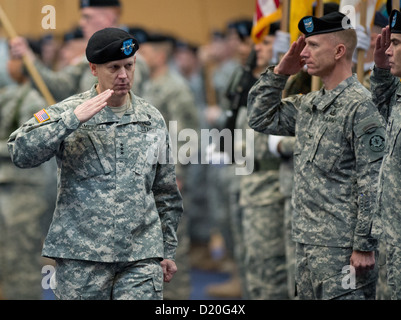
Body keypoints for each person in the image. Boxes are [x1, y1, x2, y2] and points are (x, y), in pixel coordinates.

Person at [7, 27, 183, 300]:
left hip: (140, 257)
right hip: (82, 259)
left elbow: (166, 192)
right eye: (114, 67)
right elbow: (20, 152)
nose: (123, 75)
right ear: (93, 69)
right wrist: (70, 121)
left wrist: (167, 250)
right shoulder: (69, 111)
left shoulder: (152, 119)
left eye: (129, 65)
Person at [247, 11, 386, 300]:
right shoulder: (308, 105)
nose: (304, 52)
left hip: (342, 248)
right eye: (304, 45)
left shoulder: (361, 107)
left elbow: (372, 180)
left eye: (312, 45)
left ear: (338, 51)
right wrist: (281, 73)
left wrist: (363, 244)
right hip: (306, 242)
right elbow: (259, 118)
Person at [140, 33, 200, 300]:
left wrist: (177, 175)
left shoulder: (175, 87)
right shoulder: (144, 85)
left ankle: (176, 299)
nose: (138, 58)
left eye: (145, 52)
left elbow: (186, 135)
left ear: (160, 56)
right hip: (146, 180)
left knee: (172, 244)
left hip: (167, 179)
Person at [0, 47, 57, 300]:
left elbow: (27, 146)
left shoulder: (35, 101)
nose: (9, 64)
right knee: (6, 257)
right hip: (8, 189)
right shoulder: (9, 95)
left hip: (26, 190)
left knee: (20, 259)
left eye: (14, 58)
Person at [9, 0, 149, 101]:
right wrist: (29, 57)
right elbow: (59, 88)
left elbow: (122, 109)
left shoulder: (129, 59)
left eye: (87, 17)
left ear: (108, 18)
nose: (81, 23)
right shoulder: (87, 59)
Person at [370, 9, 401, 300]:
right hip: (390, 235)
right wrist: (379, 68)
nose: (388, 49)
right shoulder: (398, 93)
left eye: (398, 43)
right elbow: (377, 105)